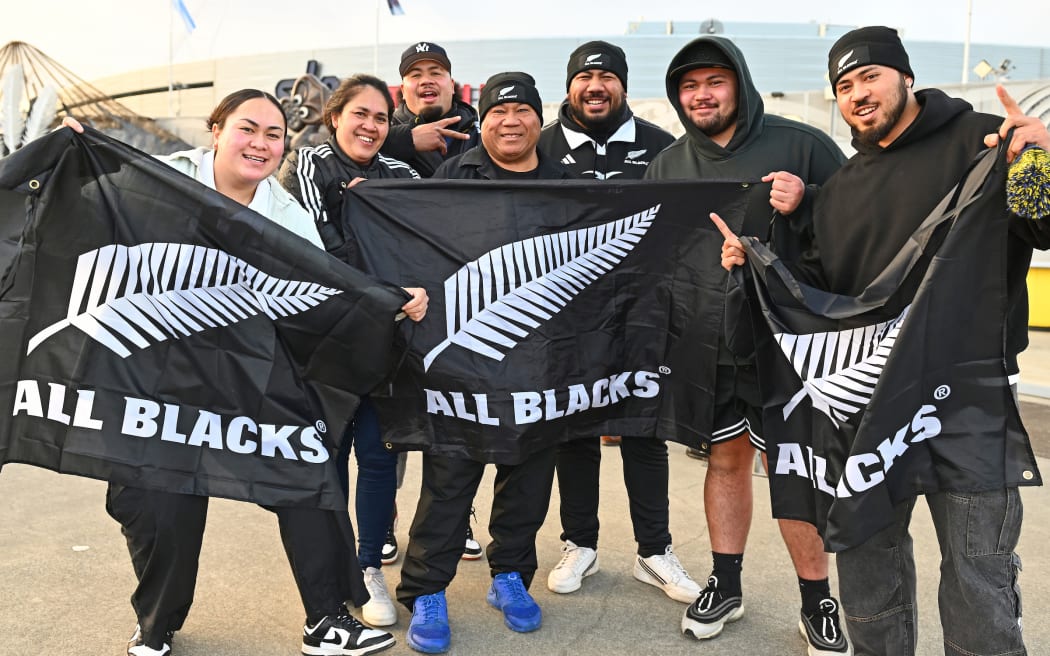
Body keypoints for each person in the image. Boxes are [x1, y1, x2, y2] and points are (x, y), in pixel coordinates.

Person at [717, 26, 1050, 656]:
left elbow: (1045, 225)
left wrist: (1042, 159)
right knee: (869, 574)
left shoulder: (982, 140)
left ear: (904, 76)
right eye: (844, 86)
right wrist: (755, 261)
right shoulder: (841, 190)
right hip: (864, 404)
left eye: (870, 76)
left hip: (966, 404)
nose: (857, 95)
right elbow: (819, 295)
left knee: (979, 580)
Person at [65, 88, 426, 656]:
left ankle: (327, 620)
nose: (260, 143)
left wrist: (389, 299)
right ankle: (156, 624)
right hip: (154, 378)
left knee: (309, 473)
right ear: (216, 130)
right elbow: (81, 208)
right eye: (247, 128)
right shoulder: (157, 179)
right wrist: (75, 154)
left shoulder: (286, 215)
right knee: (156, 505)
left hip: (245, 374)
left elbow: (326, 287)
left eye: (274, 134)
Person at [643, 37, 851, 654]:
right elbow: (653, 258)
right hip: (711, 346)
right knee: (727, 461)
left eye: (715, 81)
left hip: (793, 349)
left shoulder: (802, 145)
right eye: (689, 85)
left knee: (795, 471)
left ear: (740, 84)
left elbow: (856, 233)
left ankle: (819, 601)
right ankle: (726, 583)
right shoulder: (670, 165)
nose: (701, 95)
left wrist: (807, 206)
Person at [394, 72, 572, 655]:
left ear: (538, 120)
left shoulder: (566, 183)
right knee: (449, 479)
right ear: (484, 119)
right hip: (466, 361)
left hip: (540, 364)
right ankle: (426, 588)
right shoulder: (453, 176)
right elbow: (417, 247)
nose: (511, 121)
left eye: (523, 111)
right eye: (499, 111)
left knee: (527, 477)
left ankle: (510, 578)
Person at [536, 40, 697, 604]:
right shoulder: (542, 146)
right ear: (570, 85)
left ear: (624, 85)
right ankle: (579, 542)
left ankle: (654, 550)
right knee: (574, 431)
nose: (595, 86)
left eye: (607, 76)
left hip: (642, 315)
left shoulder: (661, 148)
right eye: (584, 76)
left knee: (643, 430)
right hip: (567, 318)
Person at [278, 74, 427, 630]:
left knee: (381, 453)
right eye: (360, 114)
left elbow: (424, 239)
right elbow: (322, 247)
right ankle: (336, 568)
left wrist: (408, 292)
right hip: (328, 340)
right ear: (335, 116)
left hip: (388, 340)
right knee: (331, 456)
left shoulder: (400, 173)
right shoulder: (312, 161)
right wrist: (389, 289)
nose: (370, 126)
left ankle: (368, 566)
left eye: (382, 118)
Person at [379, 41, 479, 178]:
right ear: (402, 90)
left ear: (451, 85)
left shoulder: (482, 132)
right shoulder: (380, 132)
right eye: (416, 75)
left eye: (435, 73)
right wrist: (405, 140)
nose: (426, 81)